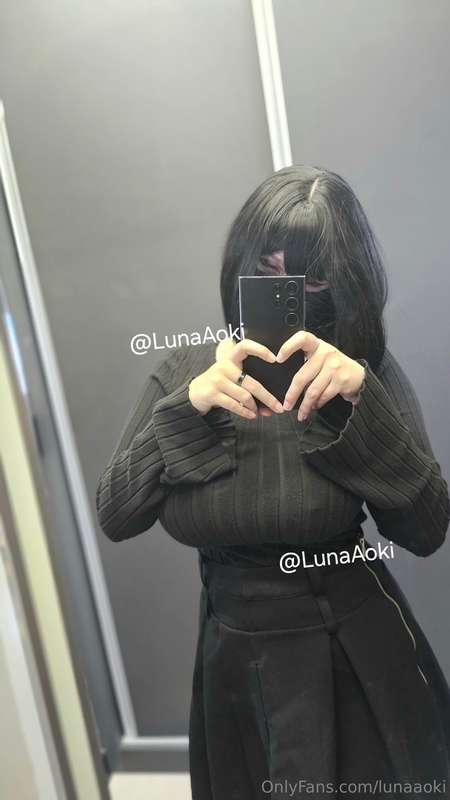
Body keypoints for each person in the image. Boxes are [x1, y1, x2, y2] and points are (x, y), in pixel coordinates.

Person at [96, 165, 450, 799]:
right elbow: (117, 515)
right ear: (241, 264)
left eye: (313, 277)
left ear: (346, 282)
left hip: (356, 655)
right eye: (268, 268)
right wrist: (185, 410)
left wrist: (363, 404)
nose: (288, 291)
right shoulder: (184, 372)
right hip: (232, 660)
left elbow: (425, 530)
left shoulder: (360, 372)